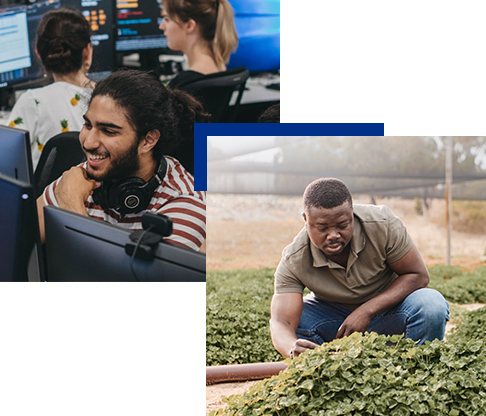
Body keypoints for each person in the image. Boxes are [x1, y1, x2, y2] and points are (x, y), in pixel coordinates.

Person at [270, 178, 449, 359]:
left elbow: (418, 275)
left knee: (431, 305)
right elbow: (281, 322)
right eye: (322, 227)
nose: (333, 235)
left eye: (342, 225)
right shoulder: (294, 259)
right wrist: (292, 348)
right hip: (336, 324)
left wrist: (366, 310)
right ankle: (332, 368)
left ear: (352, 214)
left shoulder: (383, 224)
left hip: (391, 313)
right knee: (299, 318)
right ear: (306, 219)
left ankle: (416, 368)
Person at [37, 69, 209, 252]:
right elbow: (18, 241)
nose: (89, 142)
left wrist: (71, 207)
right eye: (88, 125)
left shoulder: (185, 204)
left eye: (109, 131)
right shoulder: (84, 177)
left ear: (147, 140)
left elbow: (101, 278)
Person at [8, 8, 94, 168]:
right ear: (87, 51)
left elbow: (6, 160)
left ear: (38, 54)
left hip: (49, 193)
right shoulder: (108, 98)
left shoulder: (33, 102)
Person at [159, 0, 238, 88]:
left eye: (167, 19)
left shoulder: (183, 85)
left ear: (189, 26)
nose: (161, 26)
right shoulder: (220, 71)